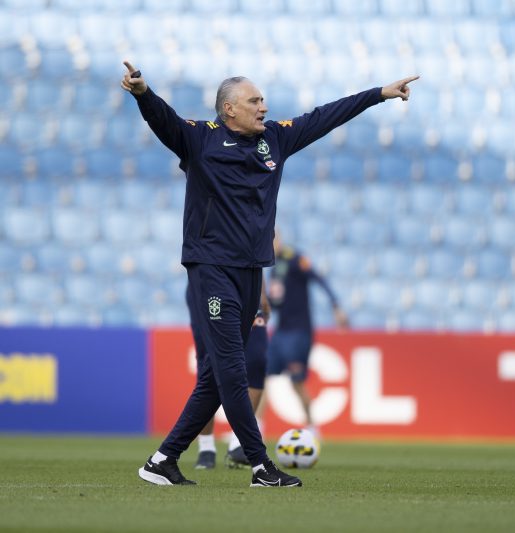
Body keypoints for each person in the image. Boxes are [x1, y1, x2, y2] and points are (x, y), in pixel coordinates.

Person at [121, 61, 417, 488]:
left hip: (251, 271)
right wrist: (143, 93)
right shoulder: (200, 138)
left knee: (215, 378)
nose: (264, 106)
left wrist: (378, 94)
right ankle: (262, 466)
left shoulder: (275, 139)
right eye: (254, 101)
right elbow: (163, 121)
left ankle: (162, 460)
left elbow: (323, 117)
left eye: (263, 100)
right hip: (212, 268)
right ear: (229, 110)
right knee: (233, 370)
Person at [267, 232, 348, 433]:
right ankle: (255, 429)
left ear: (279, 239)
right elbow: (276, 301)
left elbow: (319, 279)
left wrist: (335, 305)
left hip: (299, 332)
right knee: (260, 378)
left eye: (271, 239)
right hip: (280, 332)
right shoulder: (273, 266)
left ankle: (312, 426)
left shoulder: (295, 259)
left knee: (297, 381)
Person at [193, 283, 271, 470]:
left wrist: (262, 292)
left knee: (257, 361)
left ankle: (239, 442)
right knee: (210, 370)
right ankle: (206, 447)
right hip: (219, 291)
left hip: (250, 295)